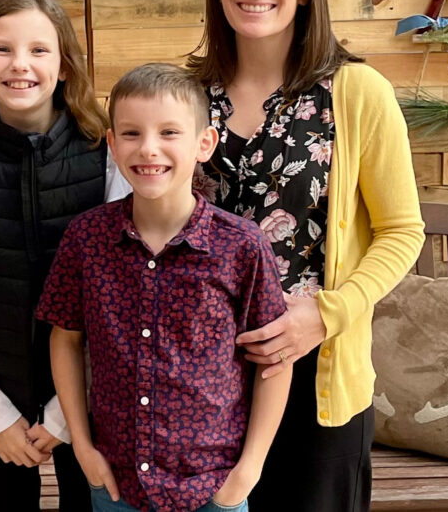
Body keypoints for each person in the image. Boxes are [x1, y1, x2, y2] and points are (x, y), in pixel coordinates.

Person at [189, 0, 425, 512]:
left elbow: (401, 231)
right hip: (201, 378)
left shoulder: (356, 92)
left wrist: (328, 313)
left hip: (316, 378)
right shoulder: (186, 96)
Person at [40, 63, 293, 512]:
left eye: (169, 132)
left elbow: (274, 360)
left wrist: (248, 472)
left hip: (215, 489)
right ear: (113, 145)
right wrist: (82, 446)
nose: (149, 149)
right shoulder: (86, 240)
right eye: (133, 134)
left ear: (204, 143)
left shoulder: (241, 245)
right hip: (116, 487)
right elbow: (65, 339)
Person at [0, 0, 128, 511]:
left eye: (39, 50)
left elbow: (114, 296)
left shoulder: (106, 156)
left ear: (64, 66)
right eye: (2, 50)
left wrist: (65, 416)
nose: (20, 65)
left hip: (89, 399)